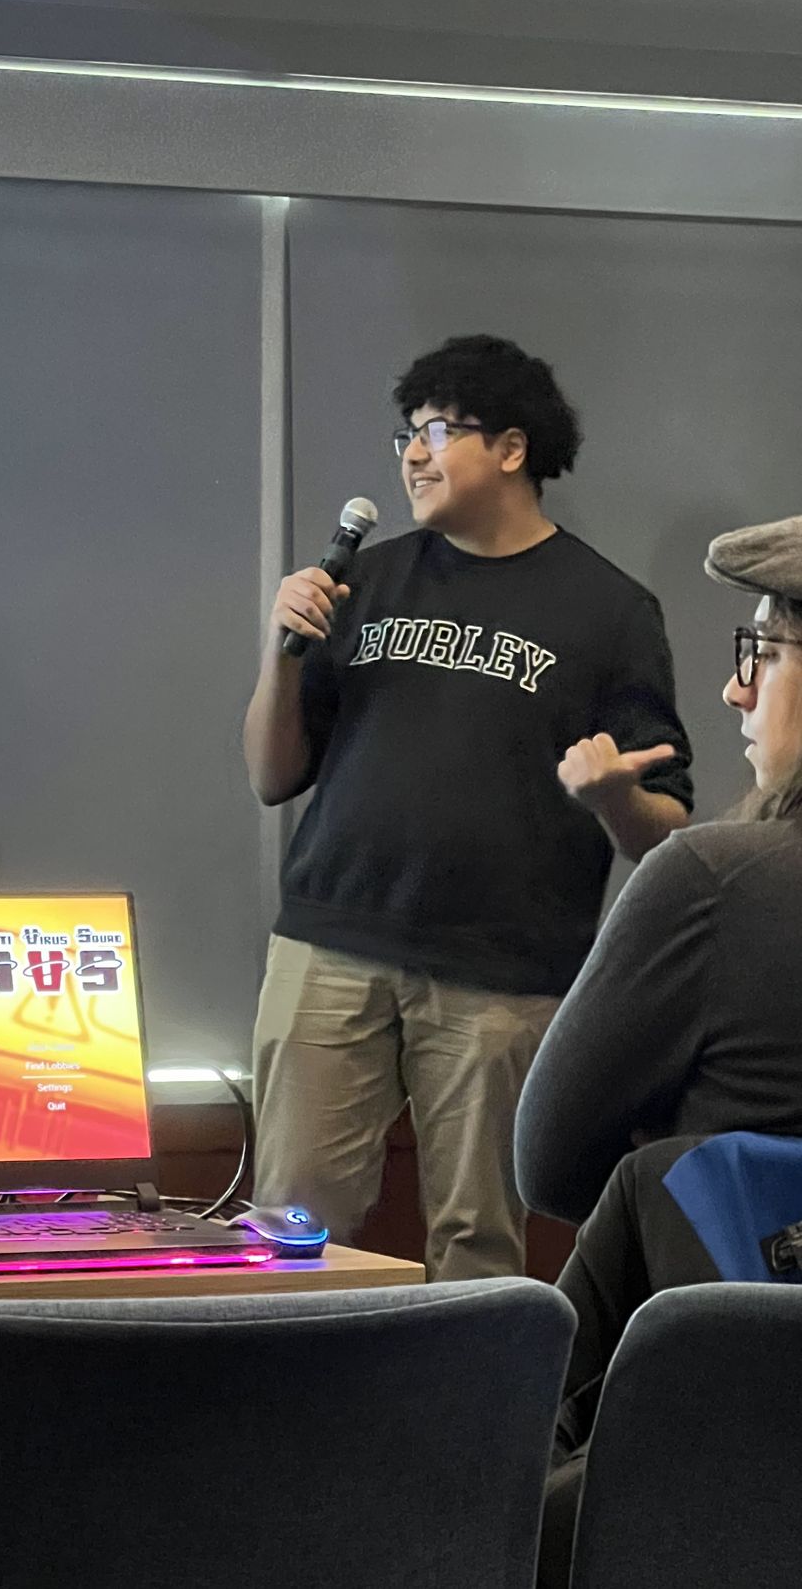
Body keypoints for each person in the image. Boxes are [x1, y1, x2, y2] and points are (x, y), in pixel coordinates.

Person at [244, 334, 693, 1280]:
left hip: (502, 972)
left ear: (513, 450)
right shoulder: (363, 581)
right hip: (332, 941)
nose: (412, 452)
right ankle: (284, 1421)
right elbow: (272, 775)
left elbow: (668, 829)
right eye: (405, 433)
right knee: (288, 1230)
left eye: (438, 429)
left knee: (478, 1243)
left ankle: (469, 1431)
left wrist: (616, 799)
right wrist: (281, 652)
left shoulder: (611, 610)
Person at [517, 515, 802, 1589]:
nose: (735, 692)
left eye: (761, 650)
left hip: (723, 1470)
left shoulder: (711, 879)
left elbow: (544, 1168)